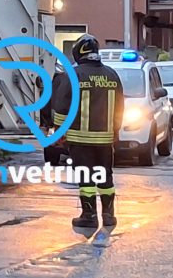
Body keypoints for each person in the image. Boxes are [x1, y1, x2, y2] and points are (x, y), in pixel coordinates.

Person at [52, 34, 124, 230]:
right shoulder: (112, 75)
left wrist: (58, 132)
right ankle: (109, 215)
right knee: (106, 176)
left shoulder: (73, 75)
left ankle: (89, 216)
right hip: (105, 140)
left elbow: (61, 107)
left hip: (80, 140)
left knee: (86, 178)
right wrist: (115, 132)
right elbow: (119, 108)